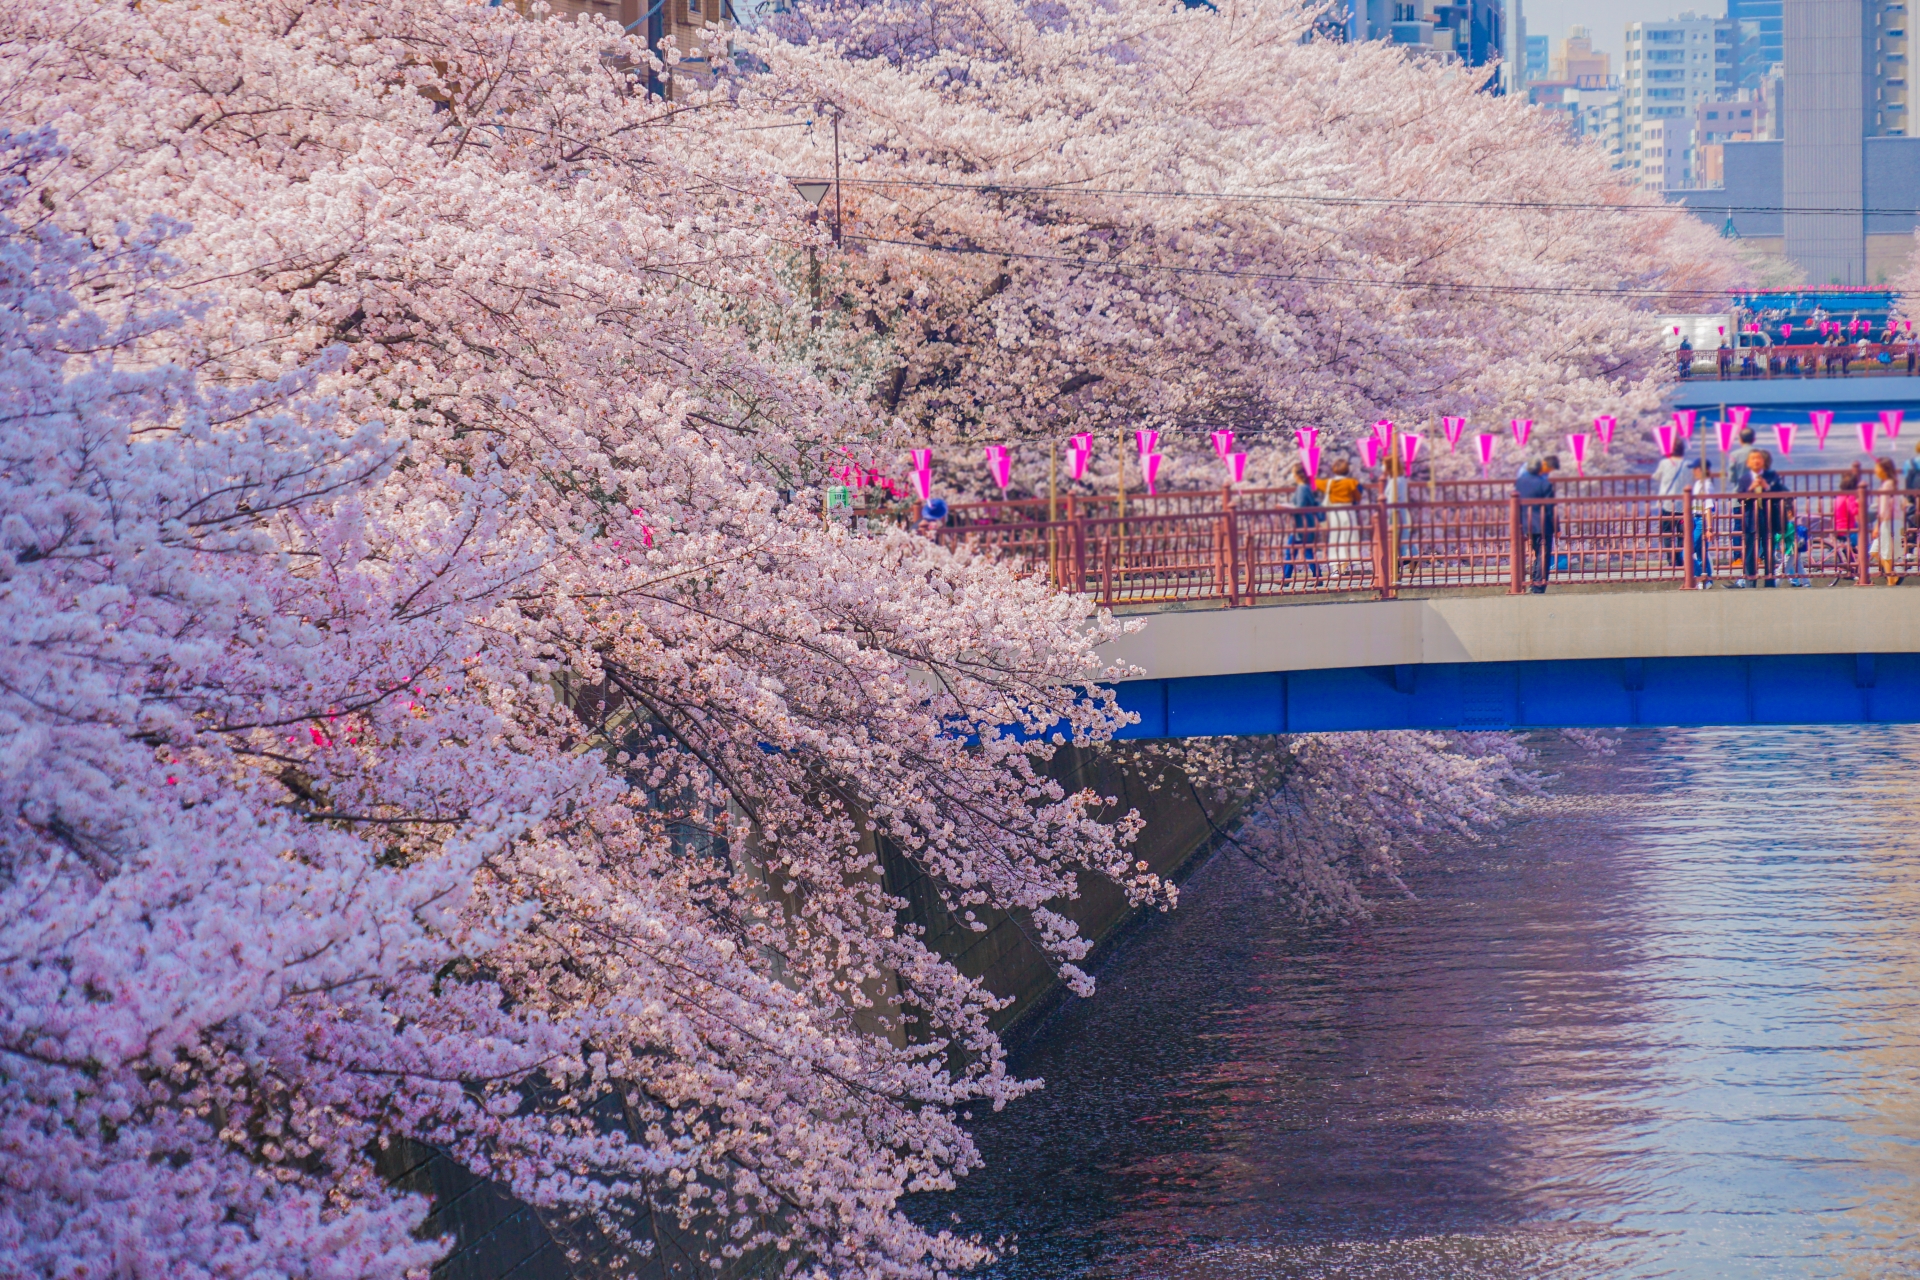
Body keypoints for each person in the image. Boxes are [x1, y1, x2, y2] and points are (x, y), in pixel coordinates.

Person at [1734, 449, 1789, 587]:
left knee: (1769, 551)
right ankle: (1750, 582)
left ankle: (1769, 582)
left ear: (1763, 461)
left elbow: (1780, 493)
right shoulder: (1745, 479)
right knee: (1750, 552)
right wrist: (1750, 489)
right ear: (1748, 462)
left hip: (1769, 518)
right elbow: (1740, 498)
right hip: (1751, 519)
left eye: (1758, 458)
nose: (1756, 461)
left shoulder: (1771, 476)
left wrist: (1766, 487)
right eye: (1753, 459)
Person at [1515, 455, 1558, 593]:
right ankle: (1538, 585)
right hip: (1543, 524)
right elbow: (1551, 508)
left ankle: (1534, 581)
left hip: (1527, 523)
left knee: (1537, 552)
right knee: (1543, 555)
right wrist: (1557, 527)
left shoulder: (1520, 483)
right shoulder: (1545, 485)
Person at [1319, 456, 1363, 574]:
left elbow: (1315, 483)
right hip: (1348, 512)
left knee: (1335, 538)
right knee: (1348, 538)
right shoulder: (1351, 482)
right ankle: (1344, 567)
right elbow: (1358, 497)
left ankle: (1335, 568)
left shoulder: (1329, 483)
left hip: (1334, 512)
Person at [1283, 464, 1323, 583]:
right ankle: (1317, 577)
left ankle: (1287, 578)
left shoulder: (1302, 488)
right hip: (1306, 522)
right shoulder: (1306, 487)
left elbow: (1300, 507)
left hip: (1301, 524)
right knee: (1305, 551)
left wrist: (1286, 508)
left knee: (1292, 551)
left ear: (1297, 475)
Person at [1653, 439, 1689, 567]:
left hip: (1668, 504)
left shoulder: (1664, 463)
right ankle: (1680, 559)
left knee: (1667, 533)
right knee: (1682, 534)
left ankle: (1670, 559)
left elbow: (1656, 476)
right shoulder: (1687, 465)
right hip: (1684, 505)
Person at [1873, 456, 1905, 585]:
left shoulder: (1887, 485)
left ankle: (1891, 581)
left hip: (1888, 522)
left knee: (1885, 552)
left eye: (1877, 467)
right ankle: (1893, 576)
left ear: (1883, 469)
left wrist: (1877, 525)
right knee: (1875, 551)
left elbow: (1884, 510)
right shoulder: (1893, 483)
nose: (1875, 470)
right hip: (1894, 521)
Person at [1833, 470, 1863, 581]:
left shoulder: (1840, 495)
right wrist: (1860, 504)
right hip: (1847, 529)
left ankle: (1852, 568)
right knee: (1865, 546)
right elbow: (1854, 511)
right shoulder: (1850, 497)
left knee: (1852, 547)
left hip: (1839, 527)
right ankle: (1857, 570)